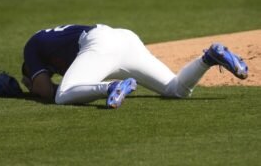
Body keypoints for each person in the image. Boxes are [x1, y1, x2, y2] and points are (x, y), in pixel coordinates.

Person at [21, 24, 248, 108]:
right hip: (124, 39)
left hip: (100, 43)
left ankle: (110, 87)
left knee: (62, 96)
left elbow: (44, 90)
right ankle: (209, 58)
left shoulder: (32, 47)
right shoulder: (50, 45)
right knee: (176, 89)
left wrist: (24, 89)